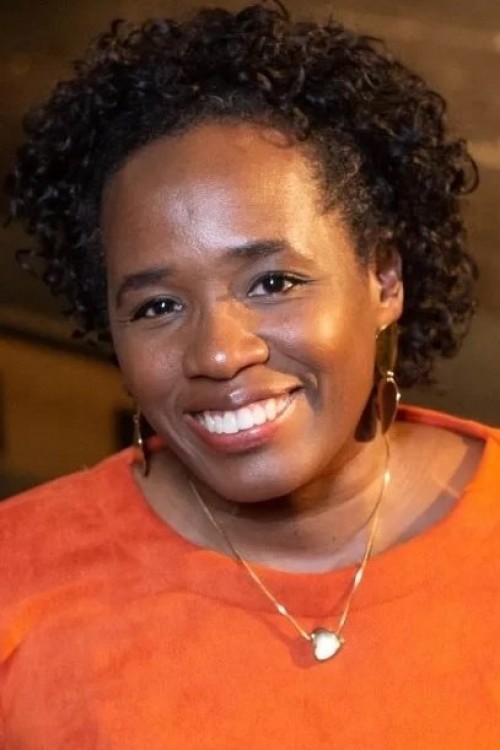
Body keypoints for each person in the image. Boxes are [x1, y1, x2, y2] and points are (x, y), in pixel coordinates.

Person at [2, 2, 499, 747]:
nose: (218, 354)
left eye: (273, 283)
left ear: (383, 280)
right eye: (158, 305)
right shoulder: (17, 576)